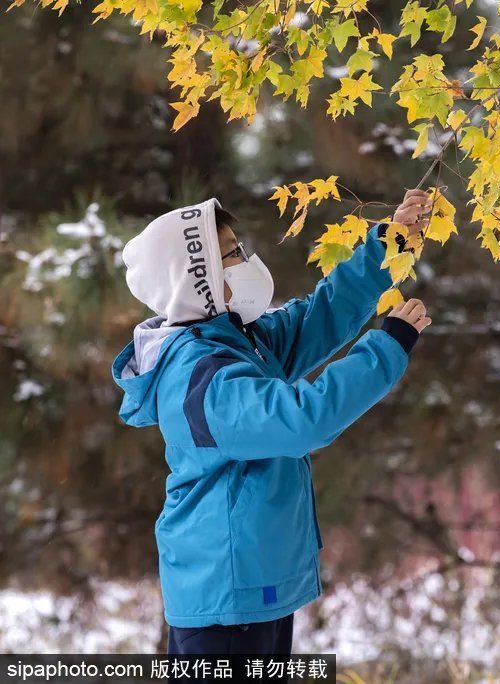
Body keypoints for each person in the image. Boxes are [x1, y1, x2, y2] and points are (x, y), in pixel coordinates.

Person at [111, 190, 434, 656]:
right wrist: (386, 348)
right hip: (227, 598)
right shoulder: (201, 377)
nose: (245, 260)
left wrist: (390, 243)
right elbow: (304, 419)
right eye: (232, 253)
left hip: (251, 587)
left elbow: (318, 317)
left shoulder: (234, 341)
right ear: (197, 276)